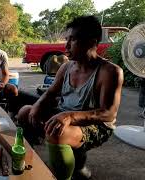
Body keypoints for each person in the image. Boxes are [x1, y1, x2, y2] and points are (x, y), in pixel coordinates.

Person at [17, 16, 124, 180]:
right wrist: (38, 105)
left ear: (91, 42)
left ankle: (68, 172)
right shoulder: (66, 67)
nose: (66, 46)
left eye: (72, 40)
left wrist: (70, 116)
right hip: (64, 113)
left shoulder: (110, 72)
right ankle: (29, 165)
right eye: (67, 39)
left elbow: (108, 113)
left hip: (96, 125)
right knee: (25, 112)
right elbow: (51, 93)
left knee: (57, 133)